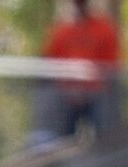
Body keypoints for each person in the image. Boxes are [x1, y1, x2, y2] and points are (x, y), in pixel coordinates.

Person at [42, 0, 121, 137]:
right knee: (63, 136)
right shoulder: (62, 30)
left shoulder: (104, 28)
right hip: (67, 95)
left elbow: (112, 63)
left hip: (96, 94)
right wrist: (70, 85)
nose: (80, 6)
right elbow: (51, 60)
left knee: (103, 134)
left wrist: (91, 82)